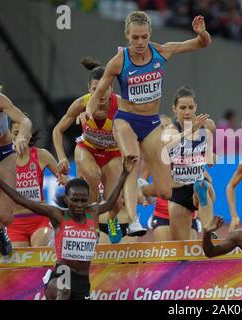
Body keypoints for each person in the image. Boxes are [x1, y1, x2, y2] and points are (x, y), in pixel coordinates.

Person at [84, 12, 211, 243]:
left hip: (151, 123)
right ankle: (133, 220)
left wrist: (202, 33)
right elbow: (100, 90)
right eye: (135, 38)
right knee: (131, 159)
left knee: (164, 191)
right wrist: (89, 110)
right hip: (126, 120)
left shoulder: (161, 52)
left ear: (150, 34)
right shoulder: (119, 62)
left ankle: (142, 187)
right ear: (127, 36)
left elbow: (201, 44)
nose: (140, 43)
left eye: (143, 37)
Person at [0, 156, 136, 300]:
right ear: (66, 199)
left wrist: (125, 173)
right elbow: (20, 199)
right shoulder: (58, 215)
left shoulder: (93, 212)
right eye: (74, 200)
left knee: (70, 291)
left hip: (82, 281)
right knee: (65, 289)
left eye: (83, 201)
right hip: (61, 275)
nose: (79, 205)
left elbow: (110, 202)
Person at [53, 57, 133, 243]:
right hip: (87, 149)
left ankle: (111, 221)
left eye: (104, 89)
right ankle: (93, 226)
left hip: (112, 153)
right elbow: (57, 130)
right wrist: (62, 157)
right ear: (89, 89)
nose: (101, 94)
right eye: (95, 89)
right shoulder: (82, 104)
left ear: (111, 88)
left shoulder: (120, 105)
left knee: (115, 203)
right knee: (93, 174)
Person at [142, 86, 216, 240]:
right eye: (182, 108)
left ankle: (209, 231)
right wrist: (190, 130)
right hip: (178, 193)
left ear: (196, 106)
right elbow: (166, 145)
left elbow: (209, 159)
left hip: (200, 185)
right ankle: (140, 190)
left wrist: (210, 155)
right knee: (180, 249)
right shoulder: (171, 129)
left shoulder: (207, 125)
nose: (187, 112)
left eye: (190, 107)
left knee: (201, 186)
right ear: (174, 109)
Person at [8, 121, 67, 247]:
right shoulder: (4, 159)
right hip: (15, 223)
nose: (20, 138)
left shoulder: (42, 155)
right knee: (21, 265)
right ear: (9, 134)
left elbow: (63, 177)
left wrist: (64, 178)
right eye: (16, 133)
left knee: (41, 254)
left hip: (40, 219)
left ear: (30, 134)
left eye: (23, 133)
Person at [0, 83, 32, 255]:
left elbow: (24, 120)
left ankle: (0, 230)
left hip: (3, 152)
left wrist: (22, 136)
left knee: (5, 216)